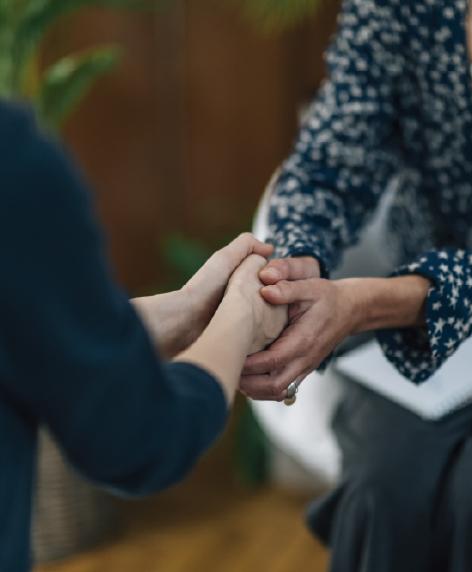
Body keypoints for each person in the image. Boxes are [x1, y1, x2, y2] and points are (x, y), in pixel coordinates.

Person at [240, 0, 472, 570]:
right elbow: (331, 165)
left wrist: (373, 303)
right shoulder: (400, 9)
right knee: (381, 490)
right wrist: (296, 262)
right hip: (432, 344)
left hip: (409, 310)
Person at [0, 102, 287, 571]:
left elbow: (28, 330)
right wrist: (240, 319)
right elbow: (141, 439)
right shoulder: (11, 162)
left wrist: (188, 307)